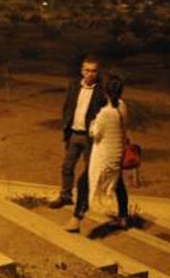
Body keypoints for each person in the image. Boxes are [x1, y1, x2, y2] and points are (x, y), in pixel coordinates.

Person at [66, 74, 130, 232]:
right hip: (117, 154)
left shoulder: (105, 114)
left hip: (103, 156)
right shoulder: (122, 107)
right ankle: (123, 217)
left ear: (106, 92)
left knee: (83, 183)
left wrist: (94, 123)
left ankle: (76, 219)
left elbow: (95, 133)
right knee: (117, 184)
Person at [49, 55, 107, 210]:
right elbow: (67, 106)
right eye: (87, 70)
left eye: (93, 71)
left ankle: (85, 200)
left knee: (89, 170)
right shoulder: (74, 85)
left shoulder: (101, 91)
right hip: (74, 134)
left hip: (90, 137)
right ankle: (65, 196)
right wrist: (65, 125)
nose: (90, 74)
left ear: (97, 73)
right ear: (82, 71)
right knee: (67, 167)